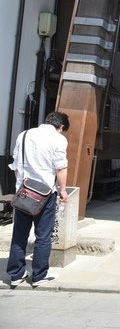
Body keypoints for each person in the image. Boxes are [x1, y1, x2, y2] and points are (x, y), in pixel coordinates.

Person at [7, 111, 70, 288]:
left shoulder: (24, 134)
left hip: (24, 193)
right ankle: (38, 275)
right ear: (61, 127)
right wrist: (63, 190)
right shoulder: (58, 139)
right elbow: (61, 167)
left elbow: (16, 165)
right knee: (43, 236)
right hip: (45, 194)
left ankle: (15, 275)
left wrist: (21, 185)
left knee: (19, 234)